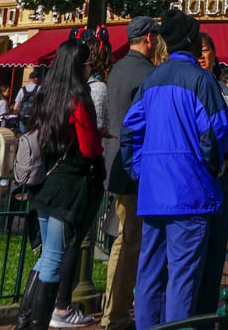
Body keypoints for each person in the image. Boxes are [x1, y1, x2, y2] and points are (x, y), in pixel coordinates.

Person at [121, 10, 228, 330]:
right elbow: (215, 133)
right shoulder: (202, 80)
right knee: (183, 278)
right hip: (189, 192)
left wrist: (141, 171)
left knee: (150, 275)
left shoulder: (151, 79)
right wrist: (210, 167)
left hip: (155, 192)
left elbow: (131, 131)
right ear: (190, 42)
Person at [13, 37, 105, 330]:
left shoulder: (45, 95)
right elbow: (89, 149)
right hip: (69, 187)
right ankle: (37, 324)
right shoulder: (79, 98)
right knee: (54, 256)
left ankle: (24, 320)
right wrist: (97, 135)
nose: (91, 68)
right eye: (88, 63)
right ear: (80, 67)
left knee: (45, 258)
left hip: (45, 183)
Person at [100, 17, 160, 330]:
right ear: (149, 38)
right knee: (129, 241)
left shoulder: (118, 69)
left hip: (115, 166)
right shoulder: (148, 75)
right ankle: (116, 315)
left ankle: (115, 307)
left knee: (124, 238)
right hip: (132, 170)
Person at [195, 32, 228, 313]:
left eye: (206, 49)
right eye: (197, 50)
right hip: (200, 176)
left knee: (215, 252)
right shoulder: (194, 85)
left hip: (225, 173)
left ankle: (207, 311)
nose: (202, 55)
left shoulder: (224, 90)